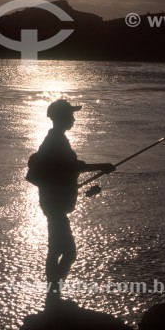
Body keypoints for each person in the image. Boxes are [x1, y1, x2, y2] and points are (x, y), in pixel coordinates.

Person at [26, 99, 115, 296]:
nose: (73, 119)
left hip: (53, 203)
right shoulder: (56, 141)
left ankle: (53, 293)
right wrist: (102, 166)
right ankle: (53, 293)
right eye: (70, 115)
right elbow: (71, 167)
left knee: (57, 249)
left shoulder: (57, 139)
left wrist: (99, 167)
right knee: (68, 252)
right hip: (55, 205)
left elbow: (68, 168)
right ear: (61, 117)